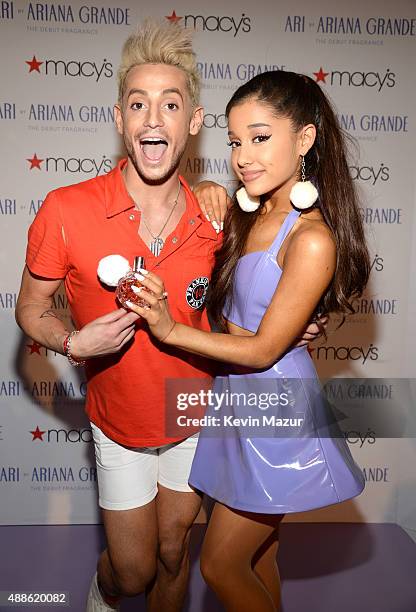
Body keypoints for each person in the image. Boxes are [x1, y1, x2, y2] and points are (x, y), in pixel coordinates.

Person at [125, 70, 370, 612]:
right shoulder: (247, 211)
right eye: (235, 141)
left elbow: (262, 350)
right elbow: (236, 305)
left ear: (304, 139)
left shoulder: (310, 237)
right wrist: (213, 192)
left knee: (219, 564)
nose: (242, 156)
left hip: (277, 410)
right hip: (238, 402)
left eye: (260, 138)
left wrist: (170, 329)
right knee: (260, 560)